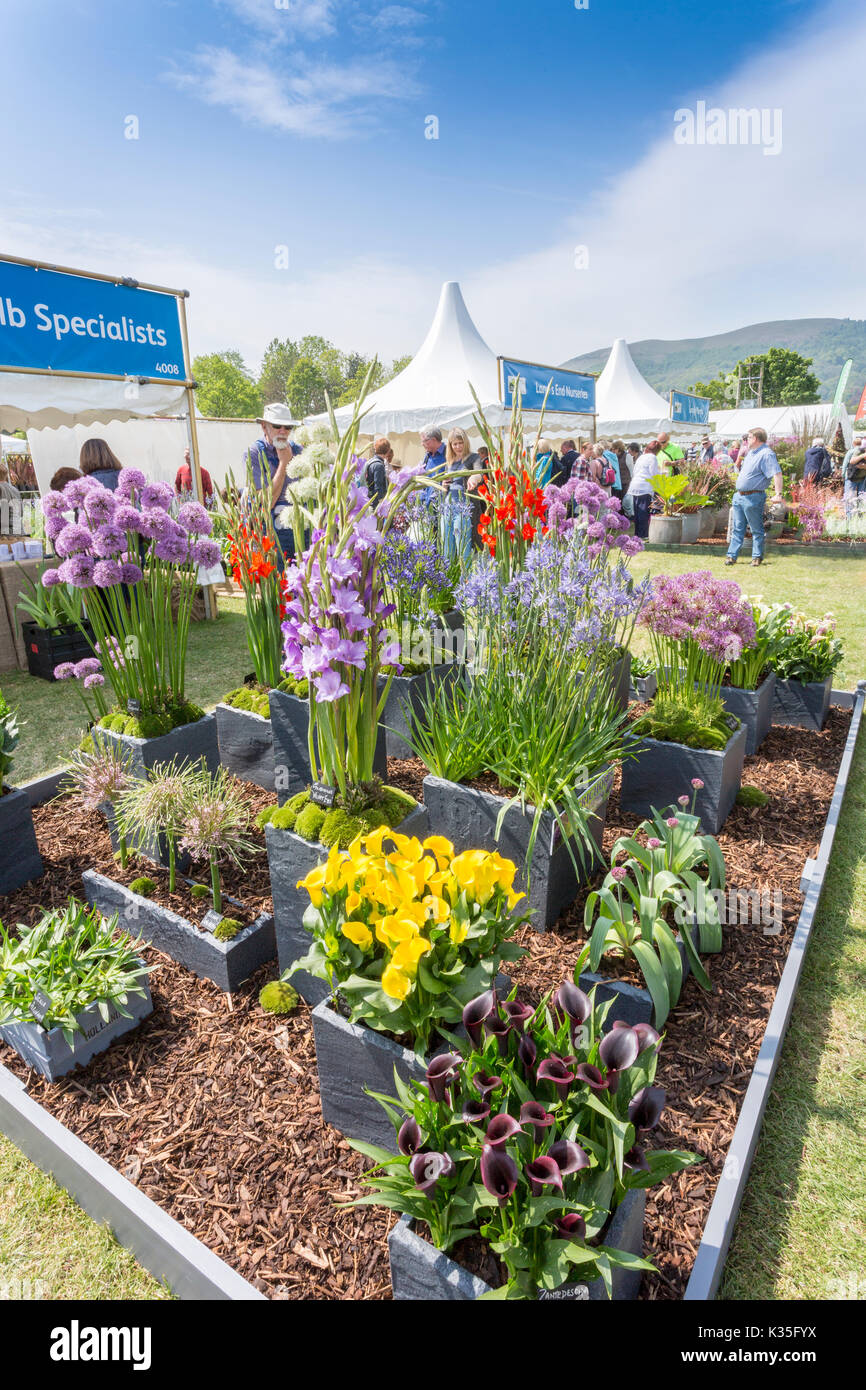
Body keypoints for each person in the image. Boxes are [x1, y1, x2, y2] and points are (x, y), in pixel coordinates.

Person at [243, 403, 304, 561]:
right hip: (270, 528)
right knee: (275, 580)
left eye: (288, 427)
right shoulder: (255, 453)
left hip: (299, 528)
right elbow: (264, 504)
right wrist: (284, 464)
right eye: (277, 426)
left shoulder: (299, 451)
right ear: (264, 427)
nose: (283, 431)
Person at [726, 427, 783, 567]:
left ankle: (757, 557)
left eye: (749, 437)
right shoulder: (751, 453)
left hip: (753, 497)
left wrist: (778, 494)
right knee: (737, 528)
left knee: (756, 529)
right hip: (739, 496)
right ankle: (731, 556)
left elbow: (777, 473)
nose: (746, 440)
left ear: (756, 438)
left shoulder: (766, 454)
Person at [442, 427, 479, 563]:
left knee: (463, 547)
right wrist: (444, 485)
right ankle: (448, 580)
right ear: (450, 446)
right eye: (454, 444)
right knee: (447, 548)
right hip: (447, 506)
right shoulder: (449, 462)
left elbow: (478, 472)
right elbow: (444, 486)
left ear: (466, 442)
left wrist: (473, 478)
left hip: (463, 507)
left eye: (460, 442)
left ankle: (466, 580)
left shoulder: (473, 458)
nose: (458, 446)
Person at [626, 440, 662, 539]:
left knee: (637, 513)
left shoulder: (641, 457)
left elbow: (635, 471)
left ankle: (637, 534)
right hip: (644, 488)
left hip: (635, 486)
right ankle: (643, 535)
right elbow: (654, 474)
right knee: (643, 513)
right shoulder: (653, 458)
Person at [419, 426, 447, 503]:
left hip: (441, 505)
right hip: (426, 505)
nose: (422, 444)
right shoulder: (427, 456)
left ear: (433, 440)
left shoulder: (448, 453)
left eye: (424, 441)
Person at [842, 436, 866, 514]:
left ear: (854, 443)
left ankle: (849, 517)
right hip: (861, 477)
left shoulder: (850, 452)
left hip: (850, 477)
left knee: (849, 498)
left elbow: (845, 464)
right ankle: (860, 516)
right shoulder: (860, 452)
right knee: (861, 497)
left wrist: (843, 475)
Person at [366, 436, 389, 505]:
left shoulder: (371, 461)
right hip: (374, 502)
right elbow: (378, 487)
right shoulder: (379, 465)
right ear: (387, 451)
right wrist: (380, 503)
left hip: (369, 498)